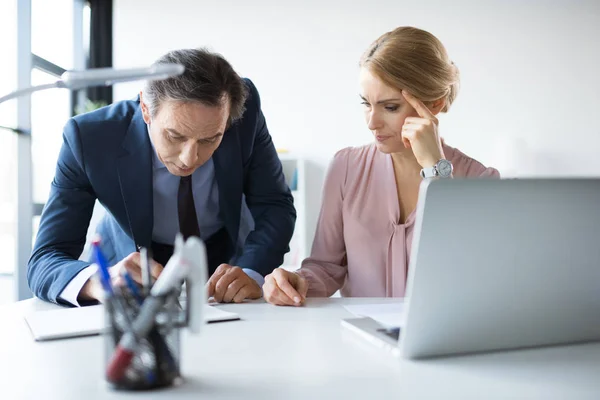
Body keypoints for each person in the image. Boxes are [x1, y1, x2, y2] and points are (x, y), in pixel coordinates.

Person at [28, 48, 296, 306]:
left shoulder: (245, 115)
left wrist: (250, 272)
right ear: (145, 107)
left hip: (226, 259)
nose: (189, 158)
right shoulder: (89, 138)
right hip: (130, 268)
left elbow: (275, 206)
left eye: (210, 139)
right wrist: (101, 280)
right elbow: (46, 258)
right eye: (175, 136)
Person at [263, 26, 499, 306]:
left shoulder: (479, 180)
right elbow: (326, 268)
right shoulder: (346, 168)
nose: (371, 122)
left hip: (443, 342)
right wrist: (298, 282)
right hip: (361, 342)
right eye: (366, 104)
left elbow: (473, 274)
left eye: (389, 107)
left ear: (433, 105)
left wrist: (436, 170)